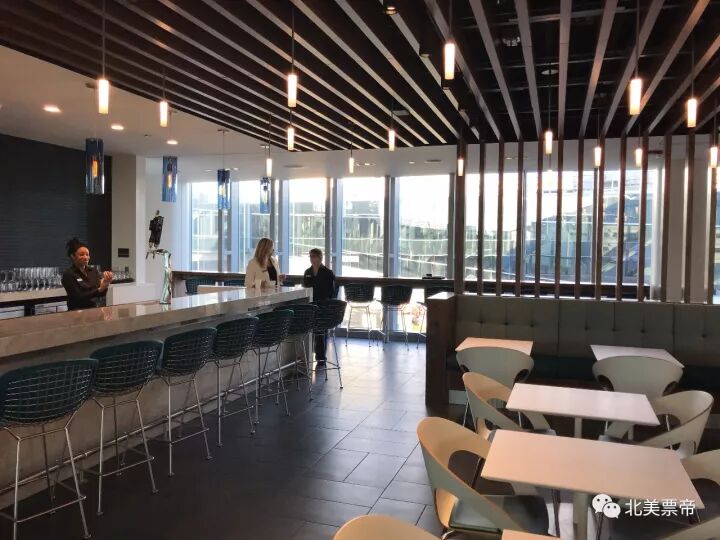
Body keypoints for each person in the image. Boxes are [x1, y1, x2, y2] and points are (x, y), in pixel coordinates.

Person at [303, 248, 337, 366]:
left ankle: (321, 357)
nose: (311, 258)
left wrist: (328, 305)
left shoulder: (328, 273)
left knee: (321, 331)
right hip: (311, 305)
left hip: (323, 305)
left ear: (320, 257)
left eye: (314, 256)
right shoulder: (307, 272)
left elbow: (332, 291)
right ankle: (310, 354)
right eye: (310, 256)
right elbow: (305, 289)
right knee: (313, 330)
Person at [61, 237, 113, 311]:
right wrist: (99, 289)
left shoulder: (93, 271)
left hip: (94, 311)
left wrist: (105, 284)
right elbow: (78, 297)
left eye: (87, 254)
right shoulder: (68, 274)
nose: (86, 257)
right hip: (76, 313)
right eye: (81, 255)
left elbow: (101, 294)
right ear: (73, 256)